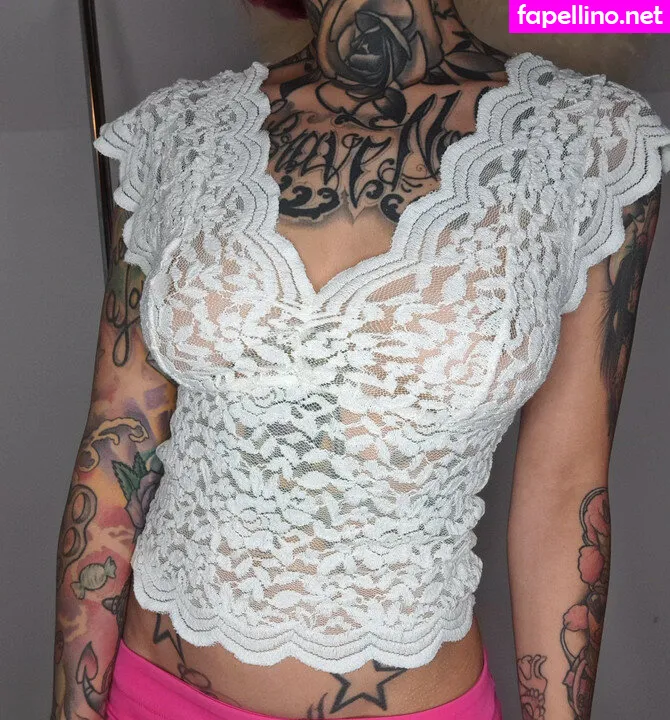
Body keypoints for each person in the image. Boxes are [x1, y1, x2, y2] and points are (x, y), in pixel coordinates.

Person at [51, 1, 670, 719]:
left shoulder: (590, 143)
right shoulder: (179, 134)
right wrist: (73, 708)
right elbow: (117, 438)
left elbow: (565, 489)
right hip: (151, 691)